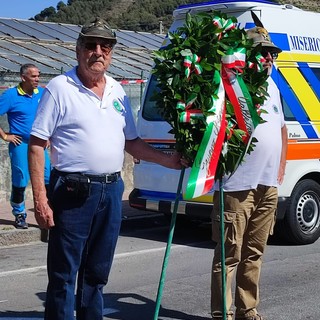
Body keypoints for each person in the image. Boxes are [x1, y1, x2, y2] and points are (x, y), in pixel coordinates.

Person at [28, 17, 185, 320]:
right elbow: (36, 145)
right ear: (78, 50)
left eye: (106, 46)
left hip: (111, 191)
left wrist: (168, 160)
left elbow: (133, 143)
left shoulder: (117, 91)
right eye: (91, 45)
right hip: (73, 191)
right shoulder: (60, 88)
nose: (98, 51)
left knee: (97, 273)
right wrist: (41, 200)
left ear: (111, 53)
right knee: (63, 274)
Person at [210, 26, 288, 320]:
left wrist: (280, 166)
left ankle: (248, 309)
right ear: (247, 56)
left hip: (267, 185)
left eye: (271, 53)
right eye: (261, 53)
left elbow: (281, 128)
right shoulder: (230, 84)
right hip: (236, 185)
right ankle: (222, 314)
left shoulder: (273, 87)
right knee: (229, 254)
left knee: (255, 252)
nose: (268, 58)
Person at [0, 63, 51, 229]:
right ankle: (19, 213)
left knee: (48, 178)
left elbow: (52, 115)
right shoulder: (10, 95)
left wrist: (50, 135)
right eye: (34, 76)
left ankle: (50, 210)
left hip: (39, 144)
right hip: (20, 143)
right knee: (20, 179)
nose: (37, 79)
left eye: (38, 75)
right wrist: (5, 136)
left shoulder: (42, 93)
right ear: (23, 78)